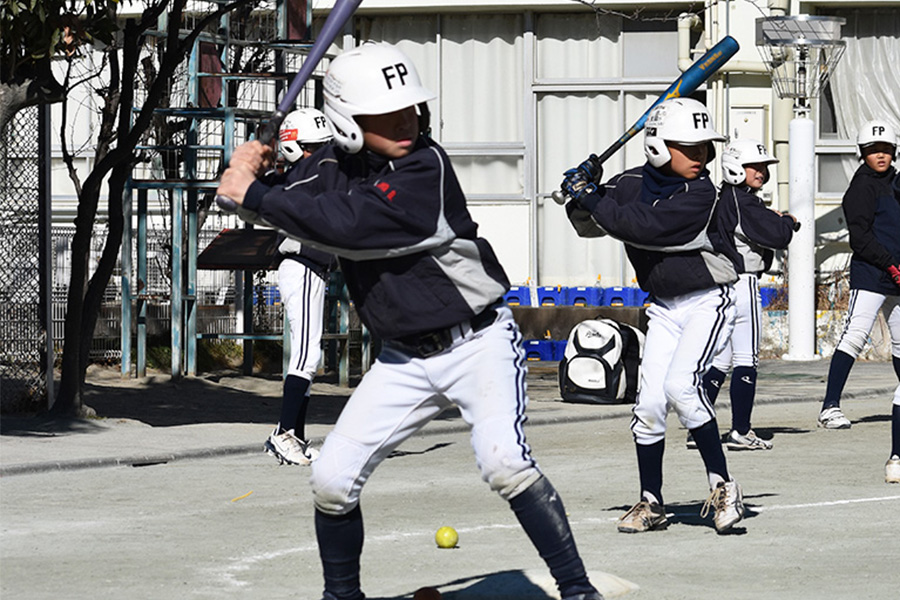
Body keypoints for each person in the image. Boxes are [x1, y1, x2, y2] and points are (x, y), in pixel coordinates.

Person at [217, 42, 602, 600]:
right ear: (347, 122)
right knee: (330, 480)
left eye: (411, 107)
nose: (406, 120)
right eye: (385, 113)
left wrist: (254, 193)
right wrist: (251, 179)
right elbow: (290, 199)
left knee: (504, 465)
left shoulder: (425, 167)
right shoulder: (330, 167)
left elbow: (348, 224)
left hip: (476, 344)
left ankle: (577, 590)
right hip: (402, 359)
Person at [562, 97, 745, 534]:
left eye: (704, 148)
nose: (701, 156)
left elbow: (642, 227)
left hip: (709, 299)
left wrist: (592, 197)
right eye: (690, 147)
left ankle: (724, 485)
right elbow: (590, 221)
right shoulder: (629, 184)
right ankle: (651, 502)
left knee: (681, 387)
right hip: (663, 307)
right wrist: (578, 191)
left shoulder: (702, 194)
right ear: (658, 148)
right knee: (647, 405)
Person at [694, 139, 797, 451]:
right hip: (742, 281)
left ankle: (697, 425)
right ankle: (741, 430)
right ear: (737, 167)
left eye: (763, 166)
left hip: (720, 283)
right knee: (745, 359)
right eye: (756, 166)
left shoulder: (723, 196)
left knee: (721, 359)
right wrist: (787, 221)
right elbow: (778, 235)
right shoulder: (743, 200)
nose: (762, 172)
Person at [816, 119, 900, 484]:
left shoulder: (896, 183)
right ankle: (829, 406)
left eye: (885, 150)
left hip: (898, 273)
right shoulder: (860, 189)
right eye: (872, 150)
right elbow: (860, 239)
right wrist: (891, 265)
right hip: (873, 273)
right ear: (862, 154)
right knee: (855, 335)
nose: (879, 155)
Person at [263, 108, 338, 466]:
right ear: (294, 148)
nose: (321, 154)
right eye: (313, 148)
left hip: (311, 268)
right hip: (302, 266)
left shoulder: (306, 177)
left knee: (309, 354)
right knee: (307, 356)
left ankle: (296, 435)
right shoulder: (300, 179)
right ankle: (284, 434)